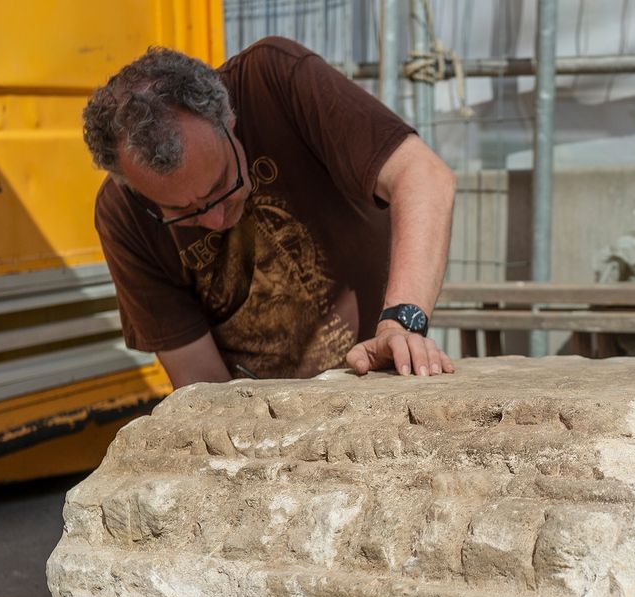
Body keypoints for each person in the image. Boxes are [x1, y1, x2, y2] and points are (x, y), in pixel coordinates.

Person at [81, 36, 456, 388]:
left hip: (374, 380)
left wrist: (399, 325)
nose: (214, 221)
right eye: (182, 212)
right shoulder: (123, 216)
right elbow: (203, 385)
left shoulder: (274, 80)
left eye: (220, 187)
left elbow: (423, 174)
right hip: (264, 418)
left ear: (229, 119)